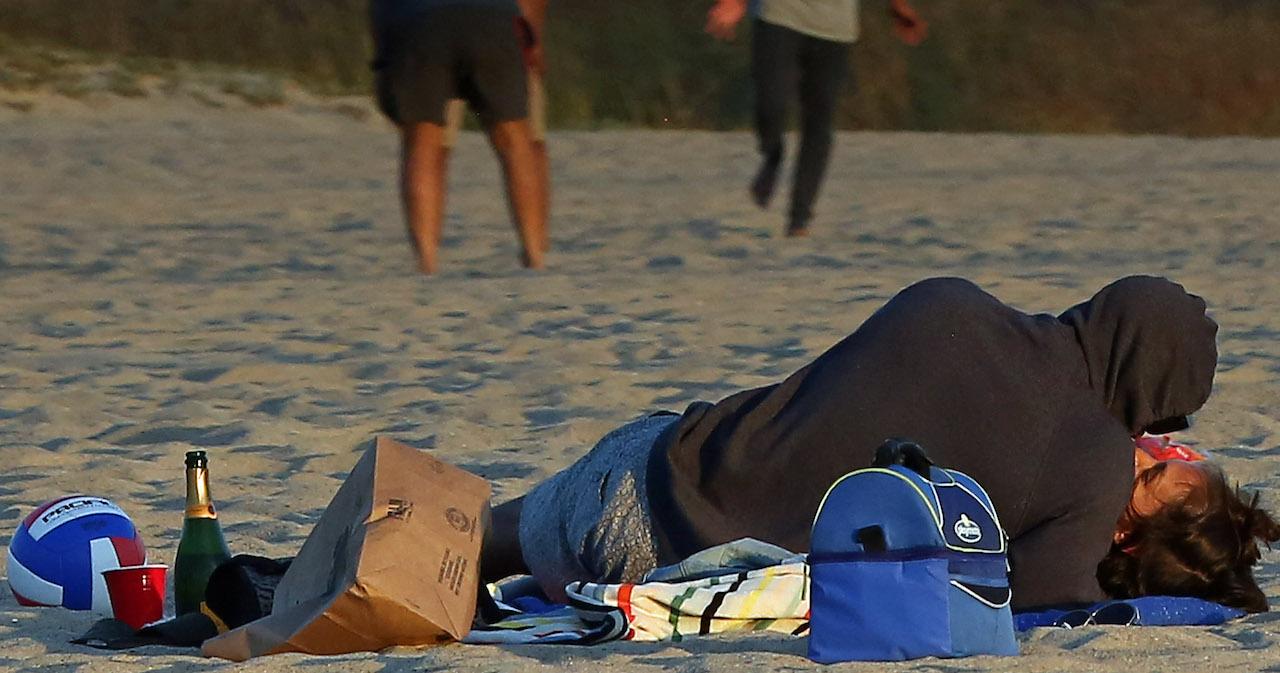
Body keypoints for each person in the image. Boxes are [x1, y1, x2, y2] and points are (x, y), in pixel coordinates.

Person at [480, 276, 1280, 612]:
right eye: (1164, 426)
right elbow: (1048, 598)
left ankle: (479, 536)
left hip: (625, 479)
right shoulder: (1091, 459)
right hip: (672, 575)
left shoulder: (951, 302)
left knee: (502, 528)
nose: (1153, 442)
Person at [705, 0, 927, 237]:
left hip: (835, 29)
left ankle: (799, 219)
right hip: (779, 14)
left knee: (819, 120)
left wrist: (898, 7)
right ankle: (772, 153)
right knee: (771, 102)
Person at [369, 0, 547, 274]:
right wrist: (531, 36)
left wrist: (384, 57)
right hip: (493, 18)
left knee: (423, 141)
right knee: (514, 140)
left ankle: (427, 261)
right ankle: (534, 253)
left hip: (421, 22)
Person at [440, 0, 551, 254]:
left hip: (457, 31)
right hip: (482, 33)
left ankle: (537, 244)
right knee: (526, 141)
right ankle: (536, 246)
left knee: (433, 142)